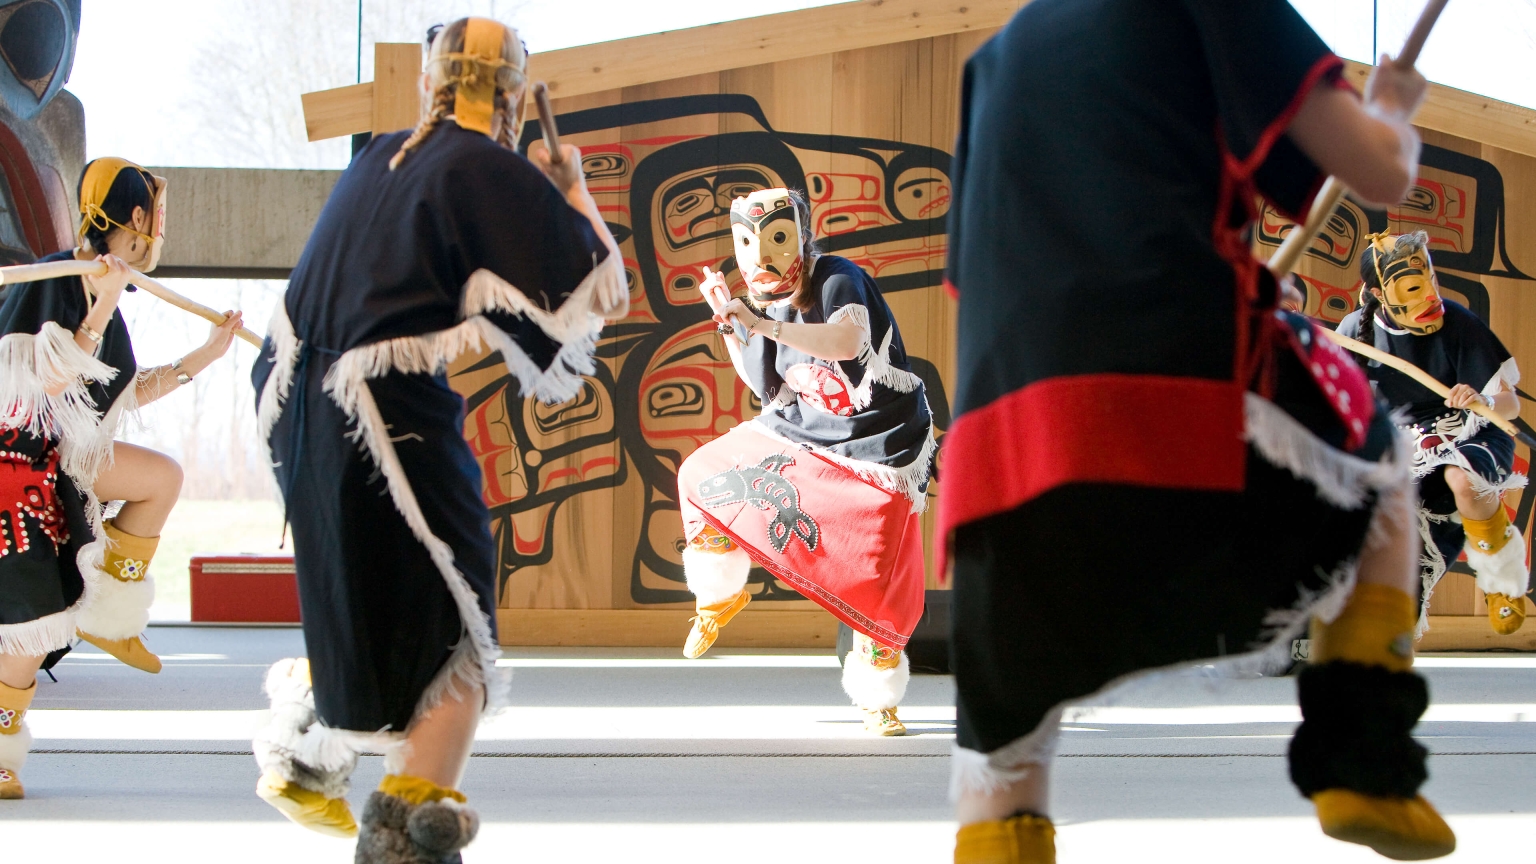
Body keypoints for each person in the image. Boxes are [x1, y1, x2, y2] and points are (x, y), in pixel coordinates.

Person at [942, 2, 1456, 861]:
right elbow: (1376, 172)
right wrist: (1395, 105)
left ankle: (1000, 834)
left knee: (1006, 750)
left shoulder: (995, 58)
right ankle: (1361, 758)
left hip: (1000, 450)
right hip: (1182, 394)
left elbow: (997, 278)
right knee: (1384, 459)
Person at [249, 17, 625, 862]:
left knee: (381, 606)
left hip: (295, 412)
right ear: (514, 97)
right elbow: (605, 291)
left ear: (432, 81)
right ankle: (404, 845)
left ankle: (307, 754)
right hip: (384, 425)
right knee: (461, 645)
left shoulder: (378, 155)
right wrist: (568, 189)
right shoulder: (484, 166)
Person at [0, 157, 244, 799]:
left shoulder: (93, 283)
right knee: (27, 621)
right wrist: (103, 303)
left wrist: (206, 355)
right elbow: (49, 381)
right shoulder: (65, 280)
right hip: (15, 470)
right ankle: (1, 750)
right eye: (155, 220)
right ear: (138, 219)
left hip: (59, 462)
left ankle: (110, 610)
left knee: (160, 476)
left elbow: (119, 396)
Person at [677, 187, 935, 735]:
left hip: (877, 443)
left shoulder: (837, 276)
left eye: (775, 239)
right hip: (806, 429)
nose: (762, 257)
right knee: (704, 474)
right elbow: (761, 382)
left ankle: (877, 695)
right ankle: (719, 593)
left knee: (878, 575)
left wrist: (763, 321)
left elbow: (845, 341)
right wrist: (730, 322)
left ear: (800, 234)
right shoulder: (765, 305)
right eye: (748, 243)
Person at [1338, 231, 1527, 636]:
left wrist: (1483, 400)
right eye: (1411, 286)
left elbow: (1511, 404)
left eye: (1429, 278)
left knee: (1461, 478)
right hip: (1401, 445)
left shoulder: (1459, 323)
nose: (1427, 295)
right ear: (1377, 292)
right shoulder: (1354, 331)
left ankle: (1501, 581)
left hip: (1468, 431)